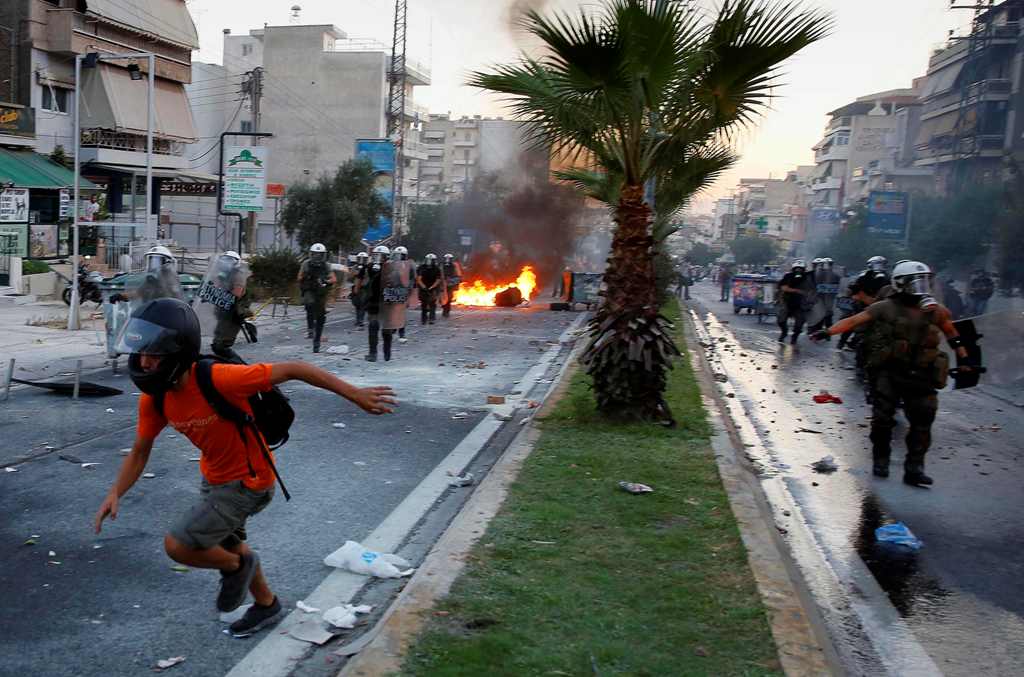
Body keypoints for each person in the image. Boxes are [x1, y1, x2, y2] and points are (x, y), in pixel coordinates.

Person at [95, 298, 396, 638]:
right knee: (232, 544)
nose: (145, 364)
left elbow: (296, 368)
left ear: (178, 354)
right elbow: (139, 452)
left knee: (178, 545)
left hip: (249, 483)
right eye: (141, 355)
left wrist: (355, 394)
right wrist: (115, 492)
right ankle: (266, 604)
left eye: (155, 356)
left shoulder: (220, 378)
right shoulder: (156, 398)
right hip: (213, 479)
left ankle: (236, 568)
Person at [812, 261, 970, 487]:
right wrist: (827, 331)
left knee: (923, 422)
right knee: (882, 420)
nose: (920, 286)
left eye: (924, 281)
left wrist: (964, 359)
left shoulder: (937, 311)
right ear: (900, 284)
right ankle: (881, 461)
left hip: (923, 374)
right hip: (890, 371)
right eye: (914, 282)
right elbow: (855, 320)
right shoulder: (885, 307)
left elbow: (953, 335)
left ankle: (915, 469)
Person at [203, 251, 251, 362]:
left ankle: (241, 366)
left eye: (229, 261)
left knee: (221, 346)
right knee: (217, 344)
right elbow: (215, 287)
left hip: (233, 313)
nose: (226, 263)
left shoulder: (239, 275)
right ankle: (227, 367)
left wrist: (218, 293)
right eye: (225, 260)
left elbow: (236, 294)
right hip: (223, 312)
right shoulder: (223, 275)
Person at [298, 243, 335, 353]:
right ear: (311, 254)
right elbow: (299, 277)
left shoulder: (326, 265)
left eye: (319, 255)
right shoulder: (306, 264)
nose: (317, 257)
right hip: (309, 290)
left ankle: (317, 341)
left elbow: (333, 279)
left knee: (320, 317)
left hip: (320, 292)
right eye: (315, 254)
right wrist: (307, 277)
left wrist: (324, 281)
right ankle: (310, 329)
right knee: (309, 304)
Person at [777, 260, 814, 345]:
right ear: (793, 269)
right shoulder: (788, 276)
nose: (798, 271)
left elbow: (812, 290)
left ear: (804, 269)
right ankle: (784, 332)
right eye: (796, 269)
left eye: (800, 269)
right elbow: (784, 288)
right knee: (781, 320)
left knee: (799, 323)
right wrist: (797, 291)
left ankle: (795, 337)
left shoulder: (807, 278)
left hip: (801, 304)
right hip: (787, 302)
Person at [364, 245, 389, 362]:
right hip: (373, 300)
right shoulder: (369, 267)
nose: (378, 258)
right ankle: (372, 353)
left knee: (387, 329)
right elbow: (362, 278)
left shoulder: (391, 268)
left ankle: (387, 352)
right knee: (373, 326)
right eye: (376, 256)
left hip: (387, 302)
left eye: (381, 256)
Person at [808, 257, 841, 337]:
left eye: (829, 264)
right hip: (821, 299)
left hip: (826, 299)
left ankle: (821, 331)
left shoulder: (835, 276)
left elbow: (838, 288)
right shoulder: (816, 275)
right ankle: (820, 331)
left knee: (825, 314)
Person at [391, 246, 414, 342]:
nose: (399, 257)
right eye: (397, 255)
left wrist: (409, 293)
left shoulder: (409, 266)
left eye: (401, 255)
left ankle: (401, 333)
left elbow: (412, 280)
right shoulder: (391, 265)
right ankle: (392, 329)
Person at [417, 254, 443, 325]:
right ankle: (424, 319)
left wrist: (432, 287)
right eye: (428, 260)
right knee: (424, 304)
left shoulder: (437, 269)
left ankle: (432, 318)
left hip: (433, 288)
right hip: (423, 288)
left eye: (431, 260)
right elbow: (419, 279)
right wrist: (424, 287)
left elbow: (438, 280)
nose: (429, 262)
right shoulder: (421, 268)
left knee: (432, 304)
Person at [441, 253, 463, 318]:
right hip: (442, 284)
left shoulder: (455, 265)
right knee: (442, 298)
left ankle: (447, 310)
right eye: (446, 259)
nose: (447, 260)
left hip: (451, 284)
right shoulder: (441, 265)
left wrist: (452, 280)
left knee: (449, 298)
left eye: (449, 259)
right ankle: (444, 308)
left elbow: (459, 275)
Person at [351, 252, 369, 327]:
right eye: (360, 259)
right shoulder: (354, 267)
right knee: (356, 304)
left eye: (363, 259)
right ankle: (358, 319)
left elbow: (367, 276)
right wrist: (354, 273)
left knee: (362, 304)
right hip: (355, 287)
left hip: (364, 288)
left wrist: (362, 272)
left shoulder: (368, 267)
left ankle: (360, 320)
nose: (361, 260)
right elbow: (349, 277)